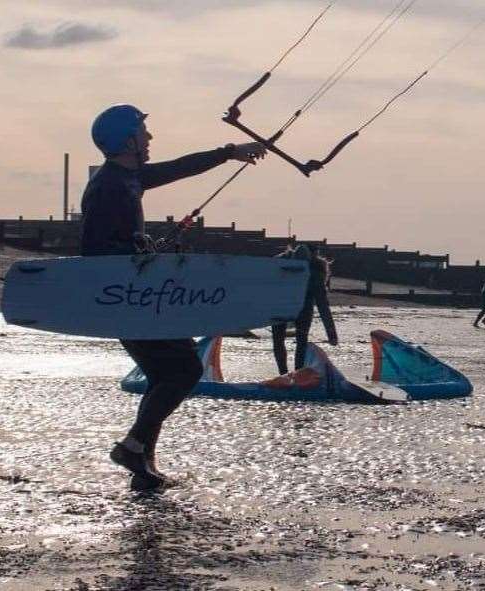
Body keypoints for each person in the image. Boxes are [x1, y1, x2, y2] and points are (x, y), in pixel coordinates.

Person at [80, 104, 266, 490]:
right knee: (184, 370)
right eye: (143, 133)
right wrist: (136, 253)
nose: (150, 138)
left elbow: (181, 166)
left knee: (165, 373)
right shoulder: (109, 186)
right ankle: (135, 448)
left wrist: (230, 151)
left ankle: (142, 462)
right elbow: (93, 252)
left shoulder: (128, 178)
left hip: (136, 298)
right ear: (127, 139)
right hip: (127, 300)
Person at [271, 243, 339, 375]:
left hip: (303, 307)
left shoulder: (316, 271)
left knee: (299, 341)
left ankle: (297, 373)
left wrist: (331, 334)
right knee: (282, 340)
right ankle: (284, 374)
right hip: (282, 304)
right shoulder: (281, 263)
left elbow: (322, 304)